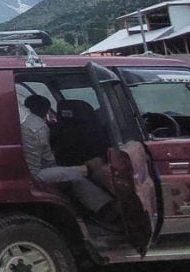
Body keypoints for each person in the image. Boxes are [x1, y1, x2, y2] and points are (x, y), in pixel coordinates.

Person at [20, 95, 118, 223]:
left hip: (44, 169)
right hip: (36, 176)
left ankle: (104, 209)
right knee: (78, 177)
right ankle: (108, 210)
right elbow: (35, 174)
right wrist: (83, 169)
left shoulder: (35, 124)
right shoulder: (37, 129)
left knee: (77, 179)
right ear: (46, 109)